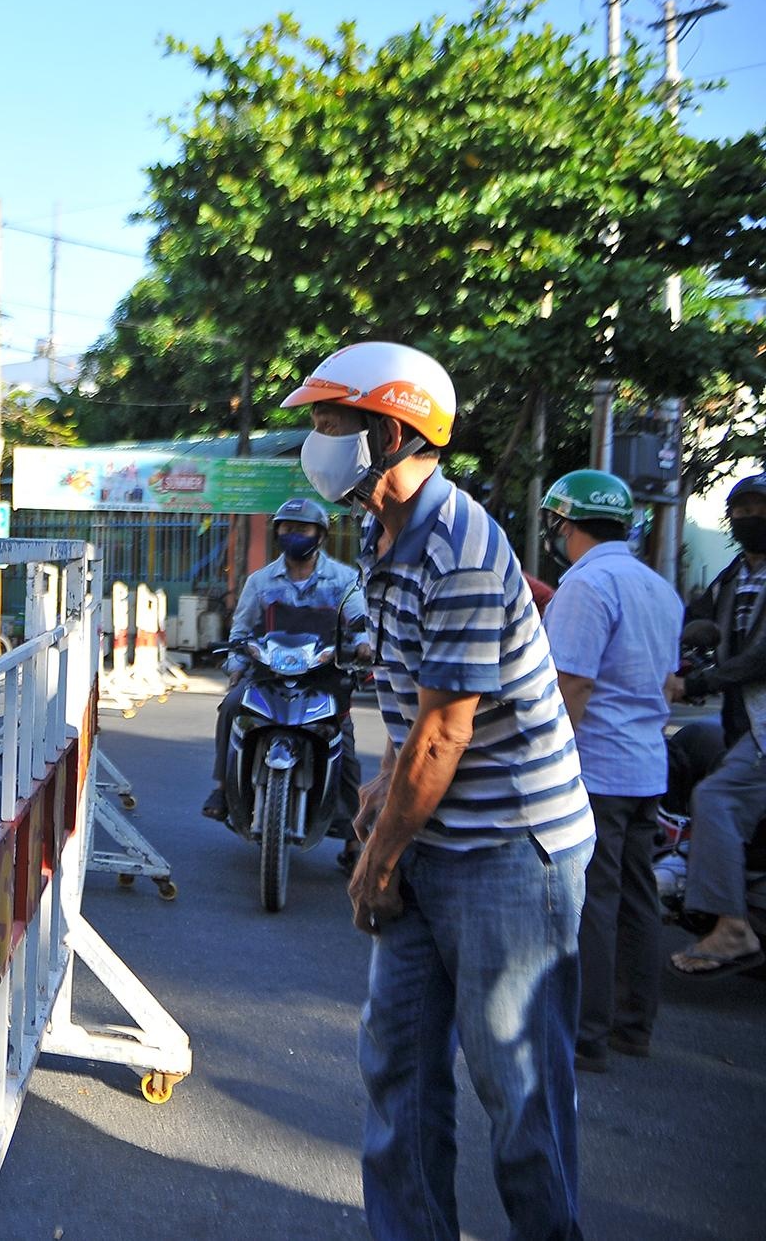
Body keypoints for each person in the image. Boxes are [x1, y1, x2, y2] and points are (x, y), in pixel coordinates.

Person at [284, 341, 592, 1241]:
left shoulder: (457, 543)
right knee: (398, 1067)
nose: (315, 440)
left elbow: (446, 730)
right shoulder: (385, 540)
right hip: (433, 833)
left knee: (519, 1089)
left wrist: (375, 861)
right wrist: (382, 801)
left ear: (387, 430)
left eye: (328, 422)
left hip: (511, 850)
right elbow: (410, 720)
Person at [537, 469, 681, 1070]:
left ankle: (587, 1035)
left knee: (592, 899)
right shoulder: (659, 588)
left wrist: (544, 764)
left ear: (566, 524)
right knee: (637, 897)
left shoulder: (586, 585)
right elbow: (670, 683)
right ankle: (633, 1026)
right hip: (647, 765)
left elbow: (571, 686)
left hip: (595, 768)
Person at [202, 495, 370, 864]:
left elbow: (360, 626)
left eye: (302, 529)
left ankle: (355, 837)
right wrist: (235, 666)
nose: (293, 535)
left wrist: (361, 647)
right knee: (232, 707)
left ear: (320, 535)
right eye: (287, 529)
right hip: (267, 674)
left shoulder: (344, 581)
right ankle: (221, 789)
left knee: (346, 748)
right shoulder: (260, 581)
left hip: (326, 677)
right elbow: (241, 630)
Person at [669, 473, 766, 978]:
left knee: (716, 798)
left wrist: (694, 684)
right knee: (688, 747)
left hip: (762, 724)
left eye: (759, 508)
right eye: (742, 510)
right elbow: (696, 619)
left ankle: (732, 926)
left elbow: (758, 659)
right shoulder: (734, 576)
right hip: (742, 720)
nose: (751, 518)